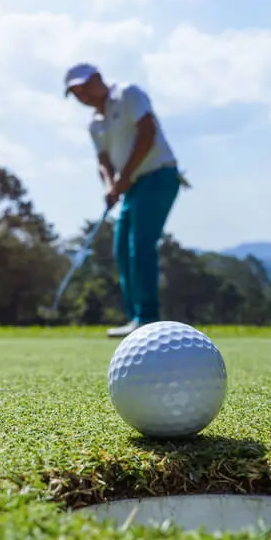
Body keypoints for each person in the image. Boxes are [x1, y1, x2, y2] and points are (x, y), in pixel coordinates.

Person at [64, 62, 188, 338]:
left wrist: (125, 176)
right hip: (132, 186)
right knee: (122, 249)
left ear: (98, 78)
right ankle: (135, 318)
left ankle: (147, 317)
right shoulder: (95, 125)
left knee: (140, 245)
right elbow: (103, 160)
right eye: (76, 93)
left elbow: (147, 133)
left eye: (85, 87)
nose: (83, 95)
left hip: (158, 175)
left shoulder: (128, 93)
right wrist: (111, 185)